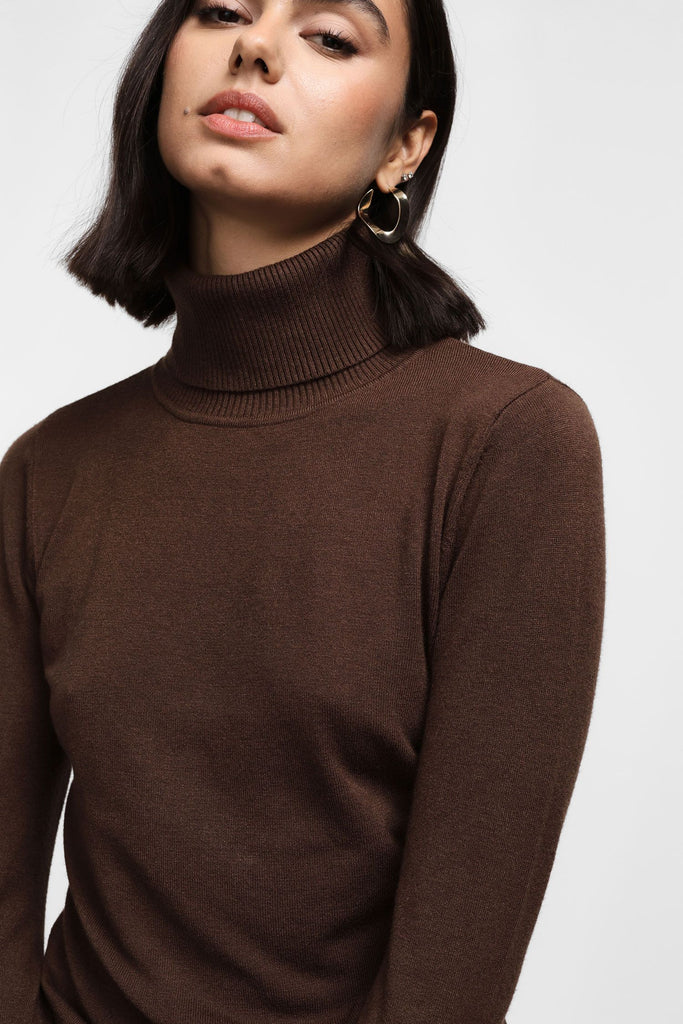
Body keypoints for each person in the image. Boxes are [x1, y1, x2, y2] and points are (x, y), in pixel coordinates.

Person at [0, 1, 606, 1022]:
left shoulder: (505, 444)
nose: (254, 46)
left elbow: (451, 969)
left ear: (405, 146)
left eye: (329, 35)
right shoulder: (49, 470)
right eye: (221, 11)